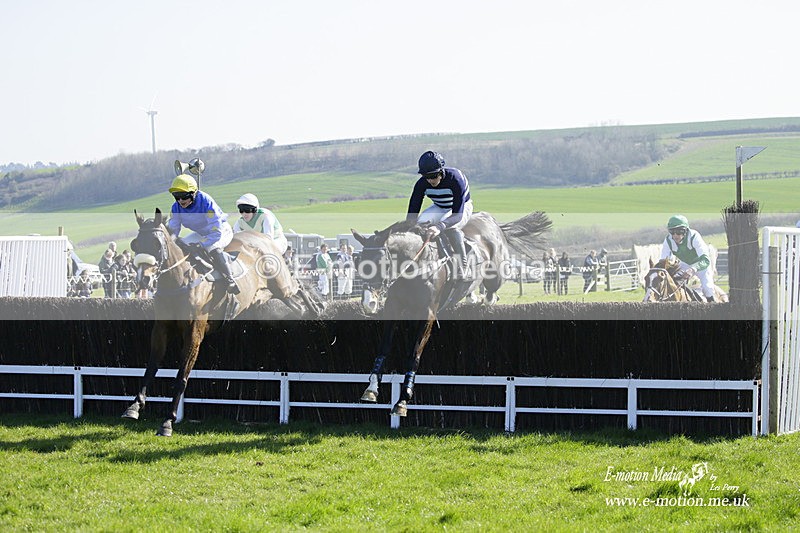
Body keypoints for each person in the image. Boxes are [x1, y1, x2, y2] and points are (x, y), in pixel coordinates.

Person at [167, 173, 239, 293]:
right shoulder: (176, 208)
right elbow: (173, 231)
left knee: (212, 247)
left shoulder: (206, 201)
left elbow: (216, 232)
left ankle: (230, 280)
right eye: (176, 196)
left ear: (193, 193)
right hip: (201, 233)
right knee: (182, 246)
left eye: (183, 196)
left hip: (221, 230)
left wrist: (200, 244)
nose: (180, 200)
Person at [406, 151, 473, 280]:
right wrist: (409, 228)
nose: (430, 180)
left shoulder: (456, 179)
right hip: (439, 206)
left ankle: (464, 266)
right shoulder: (421, 184)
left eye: (434, 176)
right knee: (420, 224)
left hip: (460, 208)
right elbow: (413, 212)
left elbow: (457, 215)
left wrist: (439, 227)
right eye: (427, 177)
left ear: (441, 172)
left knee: (449, 226)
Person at [661, 215, 719, 301]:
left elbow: (706, 260)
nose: (675, 235)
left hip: (701, 264)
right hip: (685, 264)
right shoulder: (668, 240)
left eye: (679, 231)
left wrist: (692, 269)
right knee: (672, 281)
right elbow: (663, 262)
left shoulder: (694, 236)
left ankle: (713, 307)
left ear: (685, 231)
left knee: (707, 289)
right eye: (672, 232)